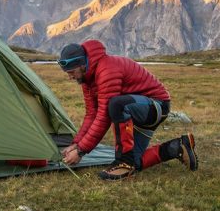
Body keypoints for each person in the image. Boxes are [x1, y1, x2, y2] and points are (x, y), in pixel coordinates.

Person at [59, 40, 198, 180]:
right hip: (136, 110)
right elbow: (91, 114)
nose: (70, 77)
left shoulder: (106, 69)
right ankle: (178, 147)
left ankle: (123, 164)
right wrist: (76, 144)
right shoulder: (87, 79)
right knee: (135, 163)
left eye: (71, 72)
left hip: (156, 106)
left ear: (82, 64)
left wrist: (81, 151)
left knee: (115, 105)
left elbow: (103, 116)